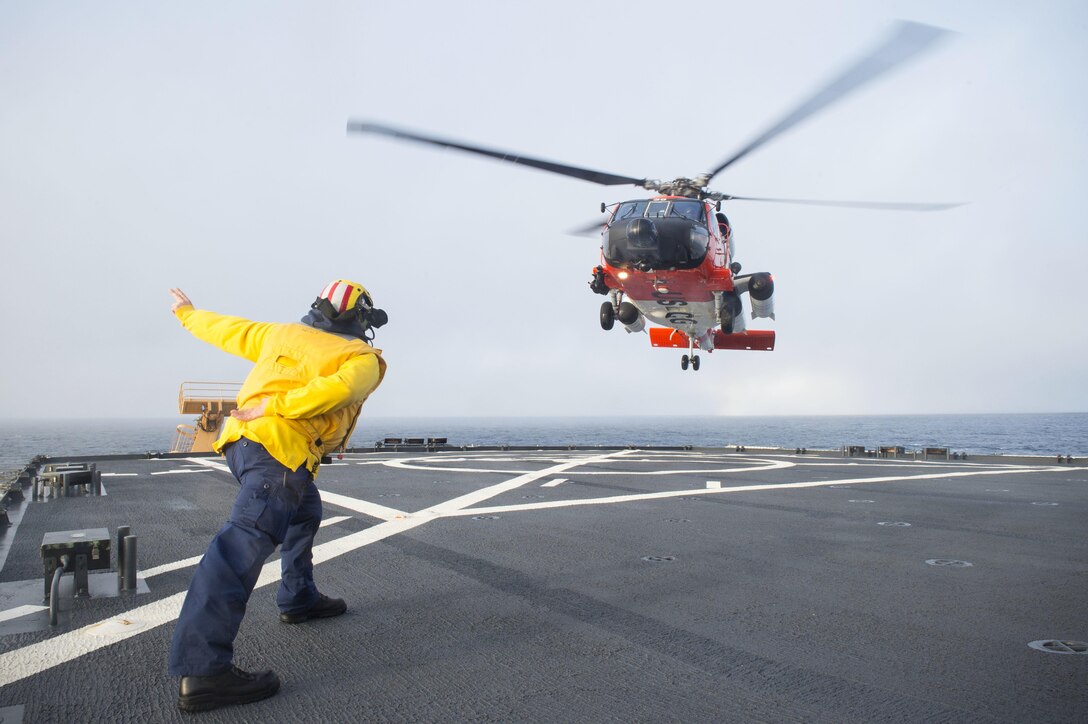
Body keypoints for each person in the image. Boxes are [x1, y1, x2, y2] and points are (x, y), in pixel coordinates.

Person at [166, 280, 387, 713]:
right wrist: (276, 406)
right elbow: (342, 389)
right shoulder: (362, 358)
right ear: (362, 319)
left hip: (243, 445)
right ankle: (204, 672)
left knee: (306, 510)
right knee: (238, 548)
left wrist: (188, 314)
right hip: (280, 452)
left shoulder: (283, 334)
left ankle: (298, 596)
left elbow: (228, 330)